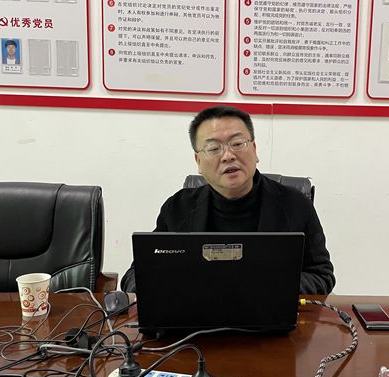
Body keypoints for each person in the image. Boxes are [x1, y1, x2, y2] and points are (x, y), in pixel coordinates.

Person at [120, 105, 335, 295]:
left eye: (237, 143)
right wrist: (175, 286)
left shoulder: (295, 204)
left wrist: (269, 285)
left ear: (254, 150)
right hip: (197, 320)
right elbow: (135, 275)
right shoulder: (178, 208)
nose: (228, 155)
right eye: (214, 148)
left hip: (270, 319)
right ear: (198, 161)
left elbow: (322, 275)